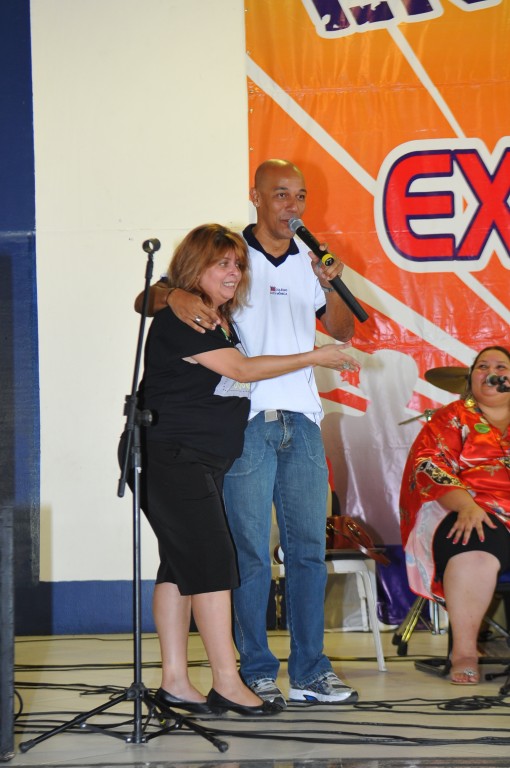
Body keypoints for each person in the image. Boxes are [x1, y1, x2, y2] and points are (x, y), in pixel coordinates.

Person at [135, 159, 360, 708]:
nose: (292, 206)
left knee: (307, 552)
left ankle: (310, 672)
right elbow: (149, 300)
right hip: (246, 424)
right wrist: (175, 296)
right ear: (255, 196)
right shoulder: (228, 252)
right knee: (247, 554)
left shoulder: (310, 260)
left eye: (300, 196)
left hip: (302, 418)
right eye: (281, 194)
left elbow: (343, 329)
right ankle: (253, 671)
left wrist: (330, 286)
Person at [400, 346, 510, 685]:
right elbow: (428, 465)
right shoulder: (452, 417)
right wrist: (465, 505)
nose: (491, 372)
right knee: (474, 540)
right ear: (470, 378)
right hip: (474, 507)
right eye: (483, 366)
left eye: (501, 367)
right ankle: (464, 652)